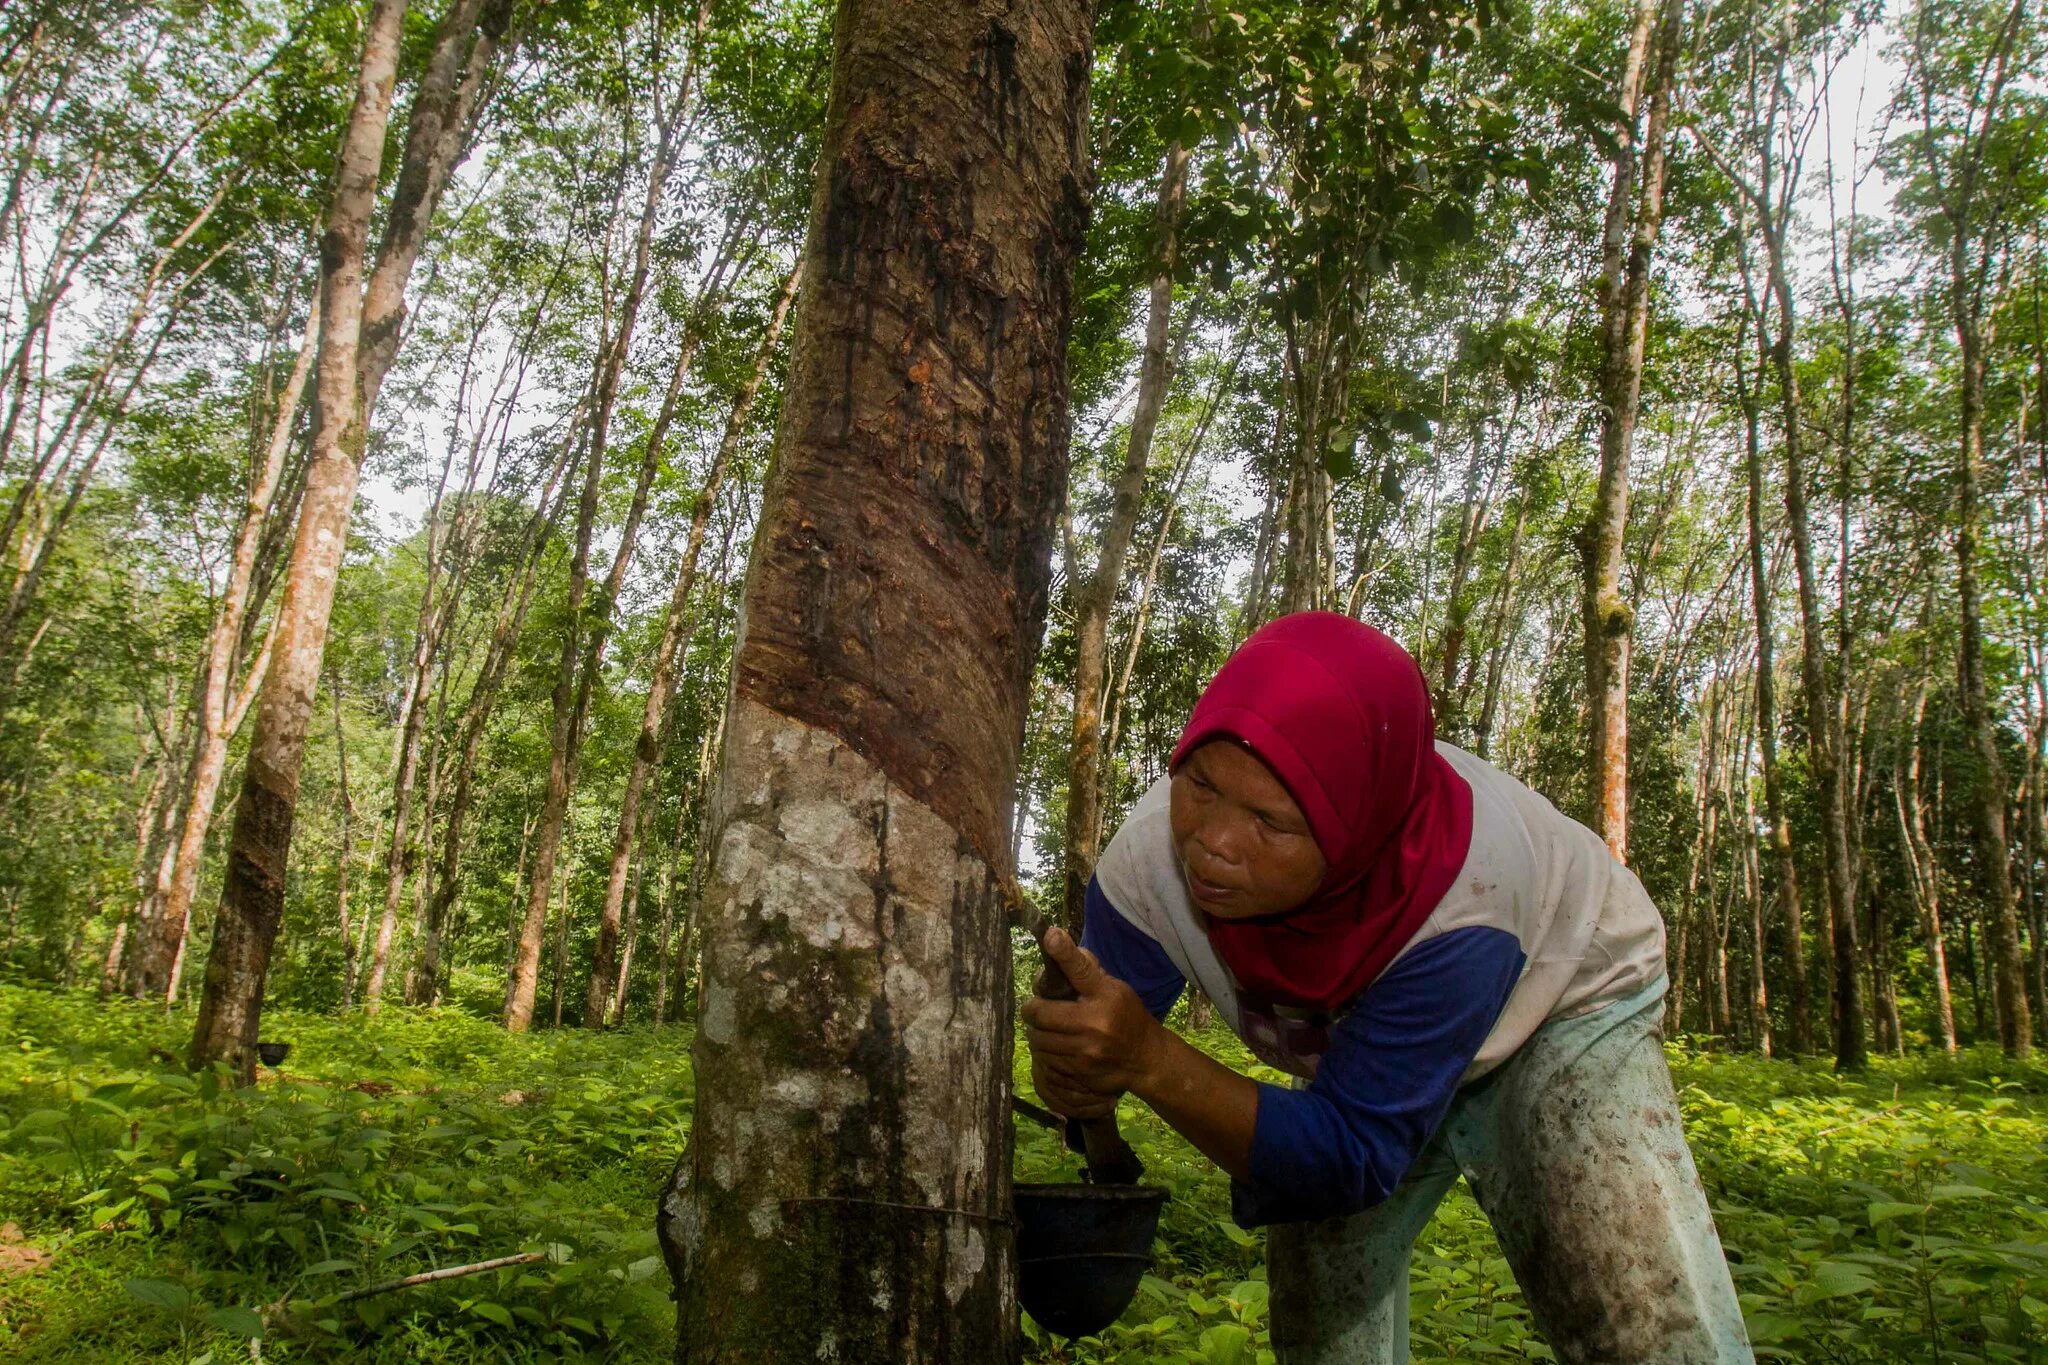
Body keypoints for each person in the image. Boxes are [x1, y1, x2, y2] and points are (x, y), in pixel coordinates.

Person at [1023, 612, 1754, 1365]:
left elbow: (1351, 1153)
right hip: (1358, 1064)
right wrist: (1075, 1060)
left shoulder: (1462, 903)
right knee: (1321, 1331)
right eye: (1200, 786)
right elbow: (1093, 1045)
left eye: (1270, 822)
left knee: (1641, 1323)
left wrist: (1148, 1058)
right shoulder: (1148, 865)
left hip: (1561, 999)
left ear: (1356, 831)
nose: (1212, 841)